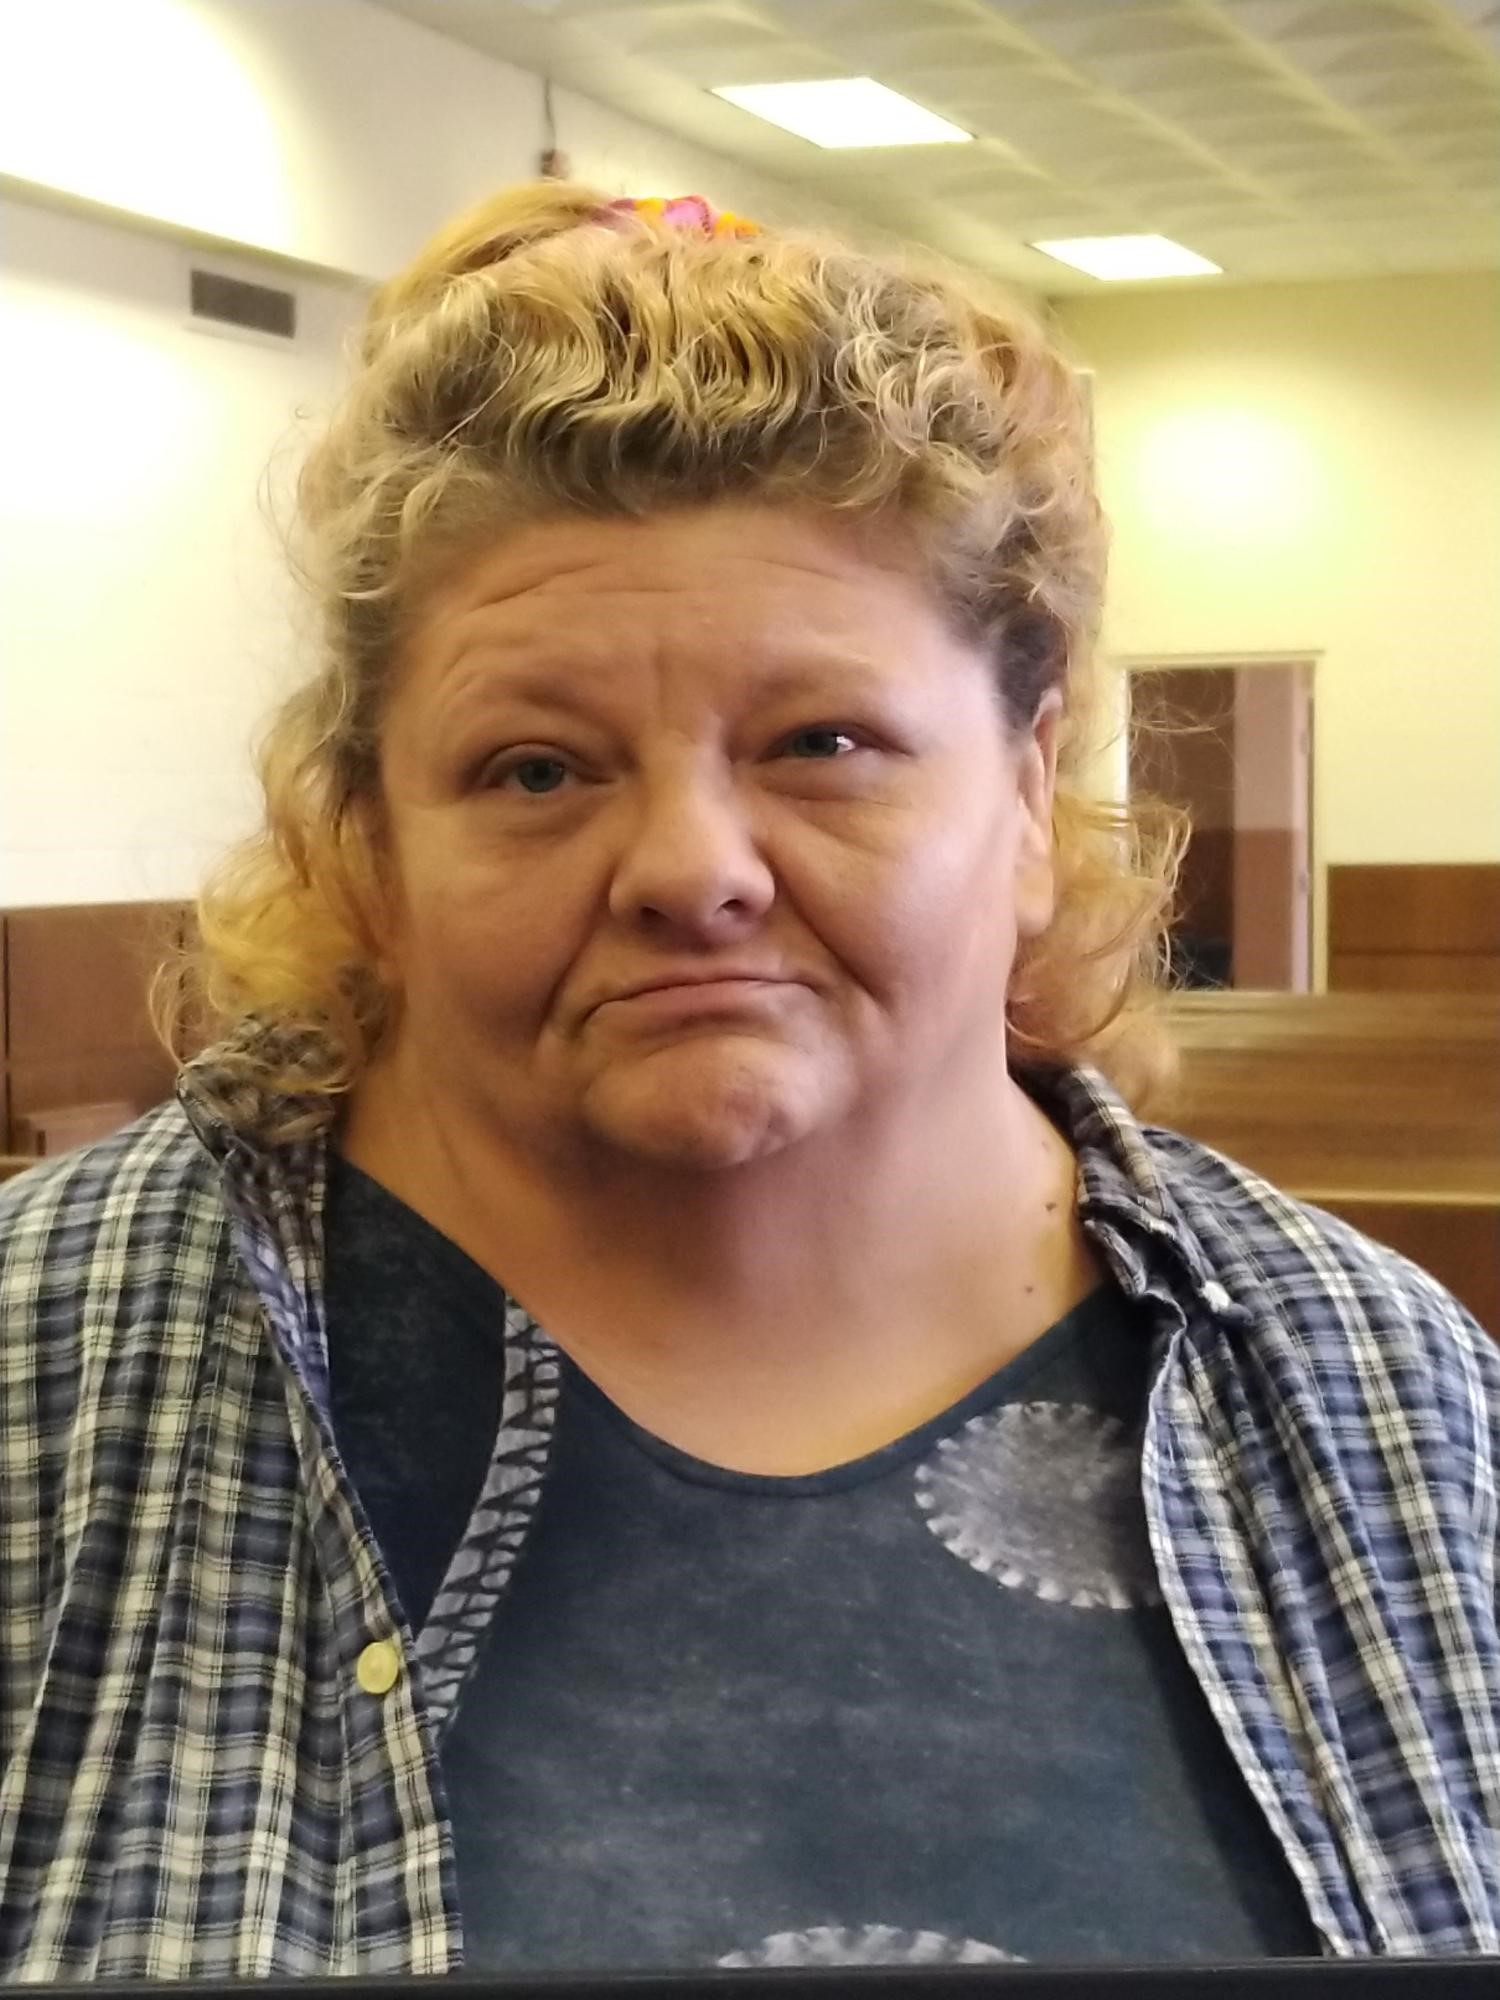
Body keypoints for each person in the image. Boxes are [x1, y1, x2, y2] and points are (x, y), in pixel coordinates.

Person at [0, 180, 1495, 1980]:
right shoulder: (40, 1368)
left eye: (824, 741)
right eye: (537, 769)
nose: (690, 868)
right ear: (371, 841)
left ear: (1029, 795)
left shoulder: (1383, 1392)